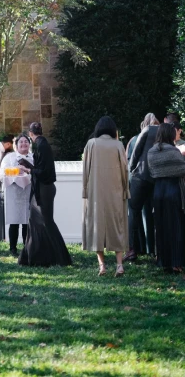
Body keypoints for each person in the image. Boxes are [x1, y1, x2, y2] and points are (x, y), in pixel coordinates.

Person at [18, 122, 72, 267]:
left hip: (44, 189)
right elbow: (42, 169)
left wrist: (28, 169)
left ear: (30, 134)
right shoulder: (42, 144)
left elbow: (44, 173)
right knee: (36, 221)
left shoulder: (41, 145)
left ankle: (61, 258)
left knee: (46, 222)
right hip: (43, 188)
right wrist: (30, 167)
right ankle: (36, 256)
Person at [82, 116, 128, 277]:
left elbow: (85, 170)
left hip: (95, 193)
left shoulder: (91, 144)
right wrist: (126, 190)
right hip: (115, 192)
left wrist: (85, 191)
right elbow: (125, 169)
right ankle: (119, 265)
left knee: (97, 227)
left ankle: (102, 266)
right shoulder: (118, 145)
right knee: (117, 226)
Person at [148, 122, 185, 273]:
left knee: (161, 226)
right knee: (176, 226)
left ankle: (164, 261)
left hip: (158, 191)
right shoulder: (173, 151)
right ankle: (176, 262)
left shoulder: (151, 151)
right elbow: (182, 169)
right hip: (173, 189)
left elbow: (152, 172)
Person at [124, 115, 160, 262]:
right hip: (156, 177)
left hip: (139, 176)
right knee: (154, 213)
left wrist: (132, 170)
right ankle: (155, 250)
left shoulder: (139, 136)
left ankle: (132, 249)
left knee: (133, 211)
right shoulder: (163, 133)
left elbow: (133, 155)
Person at [1, 133, 33, 256]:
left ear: (29, 144)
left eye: (26, 142)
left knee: (27, 220)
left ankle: (27, 247)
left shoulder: (33, 157)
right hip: (13, 192)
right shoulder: (9, 158)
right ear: (16, 145)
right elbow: (2, 173)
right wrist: (16, 170)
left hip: (29, 191)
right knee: (14, 220)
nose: (24, 144)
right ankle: (13, 248)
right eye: (21, 142)